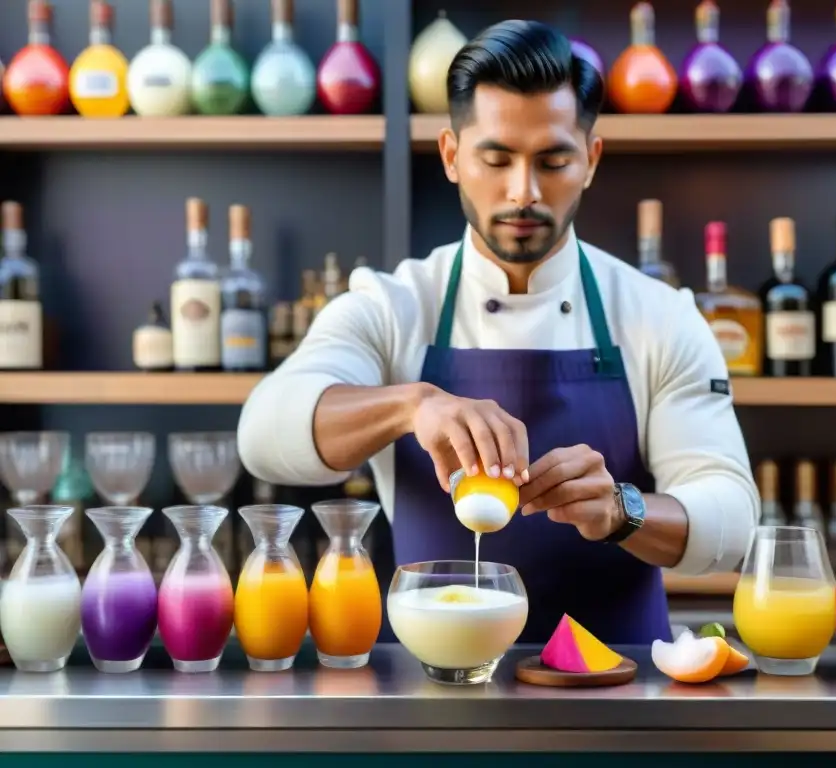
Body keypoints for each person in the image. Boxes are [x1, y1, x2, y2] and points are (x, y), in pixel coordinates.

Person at [237, 19, 758, 644]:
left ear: (590, 160)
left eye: (554, 160)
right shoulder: (393, 304)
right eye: (496, 157)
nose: (523, 191)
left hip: (622, 690)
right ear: (453, 156)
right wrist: (412, 403)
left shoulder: (659, 315)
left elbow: (732, 524)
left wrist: (624, 509)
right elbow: (263, 433)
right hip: (435, 690)